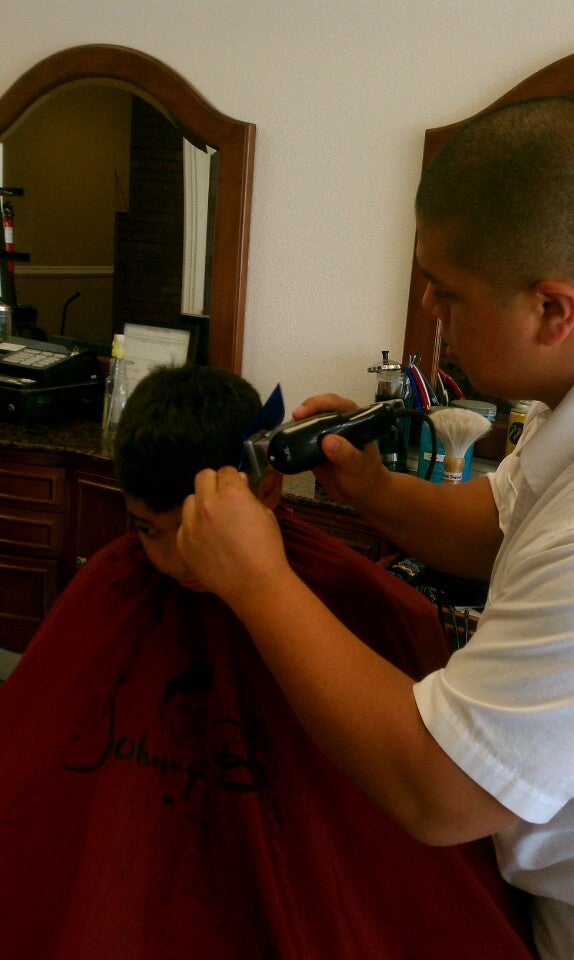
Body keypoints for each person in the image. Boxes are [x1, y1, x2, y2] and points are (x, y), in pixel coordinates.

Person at [176, 96, 574, 960]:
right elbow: (499, 526)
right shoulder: (557, 412)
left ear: (554, 310)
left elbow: (439, 790)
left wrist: (259, 581)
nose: (431, 310)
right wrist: (369, 488)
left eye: (449, 291)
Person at [0, 364, 535, 959]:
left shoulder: (359, 599)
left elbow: (413, 814)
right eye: (151, 533)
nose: (183, 559)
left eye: (199, 528)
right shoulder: (111, 588)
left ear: (268, 490)